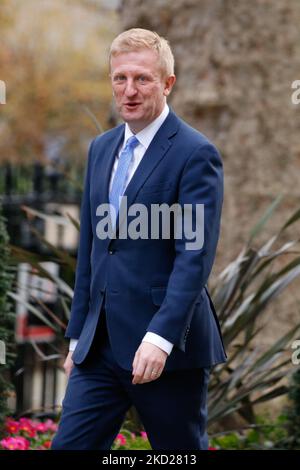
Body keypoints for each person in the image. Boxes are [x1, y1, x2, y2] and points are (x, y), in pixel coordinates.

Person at [51, 28, 226, 451]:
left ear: (167, 84)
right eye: (120, 78)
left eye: (142, 79)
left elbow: (194, 256)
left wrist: (160, 338)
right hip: (99, 348)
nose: (129, 91)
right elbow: (94, 249)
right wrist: (78, 337)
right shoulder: (100, 148)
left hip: (166, 350)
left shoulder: (195, 153)